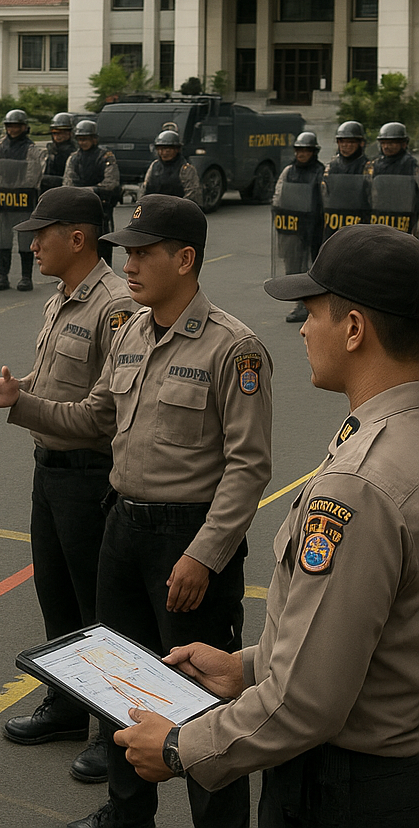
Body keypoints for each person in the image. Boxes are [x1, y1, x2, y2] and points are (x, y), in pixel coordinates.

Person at [0, 194, 271, 828]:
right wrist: (17, 402)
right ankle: (126, 813)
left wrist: (202, 556)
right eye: (126, 251)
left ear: (185, 259)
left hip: (186, 535)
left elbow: (248, 466)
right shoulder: (130, 332)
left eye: (143, 251)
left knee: (200, 694)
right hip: (121, 524)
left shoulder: (233, 349)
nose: (128, 263)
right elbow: (94, 417)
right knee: (124, 681)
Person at [117, 222, 419, 828]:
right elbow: (379, 634)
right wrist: (249, 667)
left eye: (312, 313)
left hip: (348, 790)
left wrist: (180, 748)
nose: (304, 330)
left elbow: (308, 705)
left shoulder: (359, 485)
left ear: (355, 328)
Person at [0, 187, 137, 790]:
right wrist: (19, 386)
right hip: (52, 471)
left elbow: (102, 415)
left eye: (43, 233)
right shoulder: (64, 299)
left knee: (98, 610)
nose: (32, 243)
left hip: (89, 474)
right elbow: (56, 378)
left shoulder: (116, 308)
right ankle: (65, 706)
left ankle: (108, 730)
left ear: (79, 238)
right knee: (57, 597)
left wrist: (21, 403)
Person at [271, 131, 324, 322]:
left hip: (313, 228)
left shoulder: (321, 172)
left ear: (313, 152)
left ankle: (313, 305)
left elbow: (326, 198)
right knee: (293, 268)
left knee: (312, 267)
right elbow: (278, 194)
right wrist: (277, 209)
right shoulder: (288, 171)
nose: (301, 154)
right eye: (298, 150)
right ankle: (299, 304)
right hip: (292, 228)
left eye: (306, 150)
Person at [0, 109, 44, 291]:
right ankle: (2, 276)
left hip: (23, 200)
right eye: (10, 126)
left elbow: (33, 174)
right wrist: (1, 187)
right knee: (2, 240)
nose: (13, 129)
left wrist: (18, 190)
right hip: (3, 200)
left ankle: (25, 277)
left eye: (16, 126)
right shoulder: (0, 146)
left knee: (24, 241)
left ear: (24, 127)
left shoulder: (31, 148)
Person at [64, 119, 122, 266]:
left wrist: (90, 190)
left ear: (94, 139)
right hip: (78, 208)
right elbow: (68, 181)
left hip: (101, 207)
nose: (83, 142)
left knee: (102, 247)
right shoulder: (73, 158)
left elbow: (111, 182)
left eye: (86, 139)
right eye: (80, 139)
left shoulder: (106, 156)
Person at [365, 121, 419, 235]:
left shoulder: (412, 165)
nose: (386, 146)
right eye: (383, 143)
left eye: (391, 143)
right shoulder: (375, 165)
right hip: (379, 218)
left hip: (404, 220)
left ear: (404, 144)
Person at [321, 119, 369, 239]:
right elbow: (324, 194)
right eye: (341, 141)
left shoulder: (368, 167)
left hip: (359, 223)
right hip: (334, 223)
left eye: (350, 142)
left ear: (361, 143)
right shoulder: (331, 166)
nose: (345, 146)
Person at [142, 129, 203, 206]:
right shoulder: (154, 165)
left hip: (178, 210)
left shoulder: (186, 168)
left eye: (167, 150)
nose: (163, 153)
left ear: (176, 149)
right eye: (160, 149)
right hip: (156, 209)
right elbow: (145, 188)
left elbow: (192, 194)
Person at [42, 113, 77, 193]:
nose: (58, 136)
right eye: (55, 132)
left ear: (71, 133)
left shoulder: (76, 153)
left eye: (62, 132)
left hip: (68, 191)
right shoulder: (49, 151)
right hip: (49, 191)